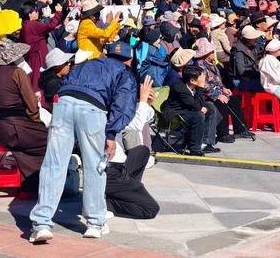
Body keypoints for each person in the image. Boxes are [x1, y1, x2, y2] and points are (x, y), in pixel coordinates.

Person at [29, 40, 137, 244]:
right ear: (129, 59)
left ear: (107, 53)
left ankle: (41, 223)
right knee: (94, 165)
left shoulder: (89, 63)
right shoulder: (124, 73)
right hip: (92, 108)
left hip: (64, 103)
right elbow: (123, 106)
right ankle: (95, 223)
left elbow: (65, 83)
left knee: (54, 164)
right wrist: (111, 134)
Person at [0, 38, 48, 192]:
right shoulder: (17, 73)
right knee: (50, 139)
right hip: (13, 128)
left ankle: (29, 180)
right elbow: (32, 106)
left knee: (31, 139)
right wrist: (36, 123)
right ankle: (37, 182)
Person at [105, 75, 159, 220]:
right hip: (108, 172)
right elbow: (135, 125)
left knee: (142, 151)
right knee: (151, 209)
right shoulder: (105, 108)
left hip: (119, 167)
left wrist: (146, 103)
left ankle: (128, 189)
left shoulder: (114, 105)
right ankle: (106, 203)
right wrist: (142, 101)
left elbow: (141, 120)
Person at [164, 63, 213, 155]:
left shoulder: (192, 85)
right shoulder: (180, 87)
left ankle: (205, 142)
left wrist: (203, 106)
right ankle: (195, 149)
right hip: (175, 114)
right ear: (192, 80)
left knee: (210, 107)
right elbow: (196, 106)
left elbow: (198, 104)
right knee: (198, 116)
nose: (204, 79)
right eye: (201, 78)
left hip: (187, 109)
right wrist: (201, 88)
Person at [19, 2, 62, 88]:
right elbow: (50, 26)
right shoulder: (32, 24)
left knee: (33, 78)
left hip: (31, 57)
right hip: (38, 57)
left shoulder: (25, 25)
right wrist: (58, 13)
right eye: (35, 11)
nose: (38, 12)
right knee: (38, 79)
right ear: (29, 14)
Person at [38, 48, 75, 112]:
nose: (69, 64)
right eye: (66, 62)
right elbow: (55, 105)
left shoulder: (50, 79)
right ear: (57, 66)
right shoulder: (54, 83)